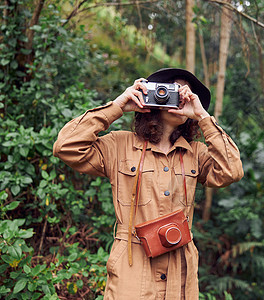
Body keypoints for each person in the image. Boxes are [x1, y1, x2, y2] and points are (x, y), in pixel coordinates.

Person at [53, 68, 244, 299]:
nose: (181, 95)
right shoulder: (119, 145)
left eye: (187, 93)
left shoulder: (196, 153)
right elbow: (66, 147)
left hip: (180, 270)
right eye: (174, 89)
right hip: (132, 266)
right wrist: (118, 106)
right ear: (155, 94)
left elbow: (231, 171)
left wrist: (202, 116)